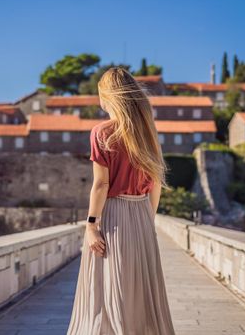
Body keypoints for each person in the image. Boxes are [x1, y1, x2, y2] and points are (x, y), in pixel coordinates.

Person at [66, 67, 176, 335]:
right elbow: (155, 185)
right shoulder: (147, 133)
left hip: (113, 214)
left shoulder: (102, 132)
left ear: (108, 97)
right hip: (141, 213)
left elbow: (101, 184)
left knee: (108, 291)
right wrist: (146, 219)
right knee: (140, 289)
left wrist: (92, 225)